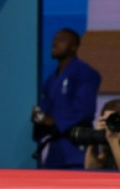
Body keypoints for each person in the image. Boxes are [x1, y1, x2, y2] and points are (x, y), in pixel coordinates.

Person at [32, 28, 102, 169]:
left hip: (76, 150)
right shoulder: (52, 79)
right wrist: (39, 118)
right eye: (54, 40)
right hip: (55, 152)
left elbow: (85, 109)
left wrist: (54, 121)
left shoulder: (85, 73)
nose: (55, 43)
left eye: (61, 40)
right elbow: (46, 113)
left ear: (74, 47)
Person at [84, 98, 120, 170]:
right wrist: (94, 138)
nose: (110, 125)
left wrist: (113, 141)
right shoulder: (107, 143)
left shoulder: (112, 140)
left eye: (115, 120)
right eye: (107, 121)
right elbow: (90, 169)